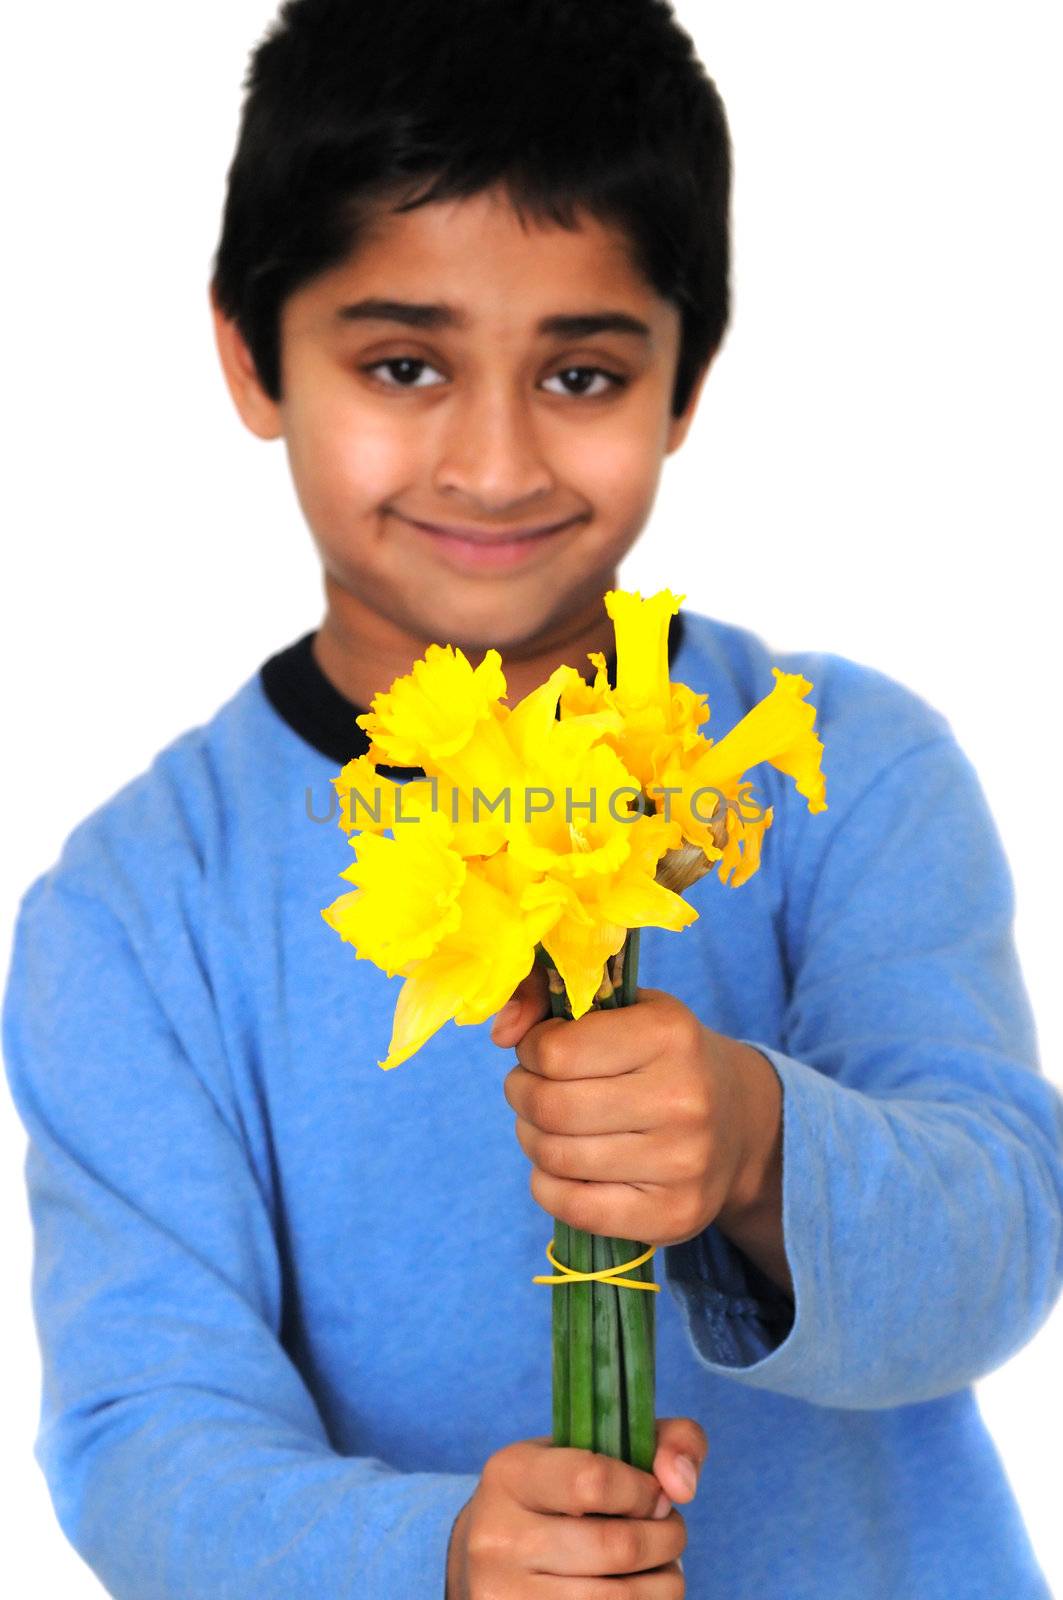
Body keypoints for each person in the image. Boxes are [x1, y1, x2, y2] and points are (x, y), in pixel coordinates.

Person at [3, 0, 1061, 1595]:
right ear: (248, 352)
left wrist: (761, 1144)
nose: (494, 465)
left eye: (580, 372)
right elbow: (145, 1431)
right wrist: (435, 1551)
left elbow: (999, 1241)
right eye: (404, 363)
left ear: (687, 379)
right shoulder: (135, 911)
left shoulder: (847, 769)